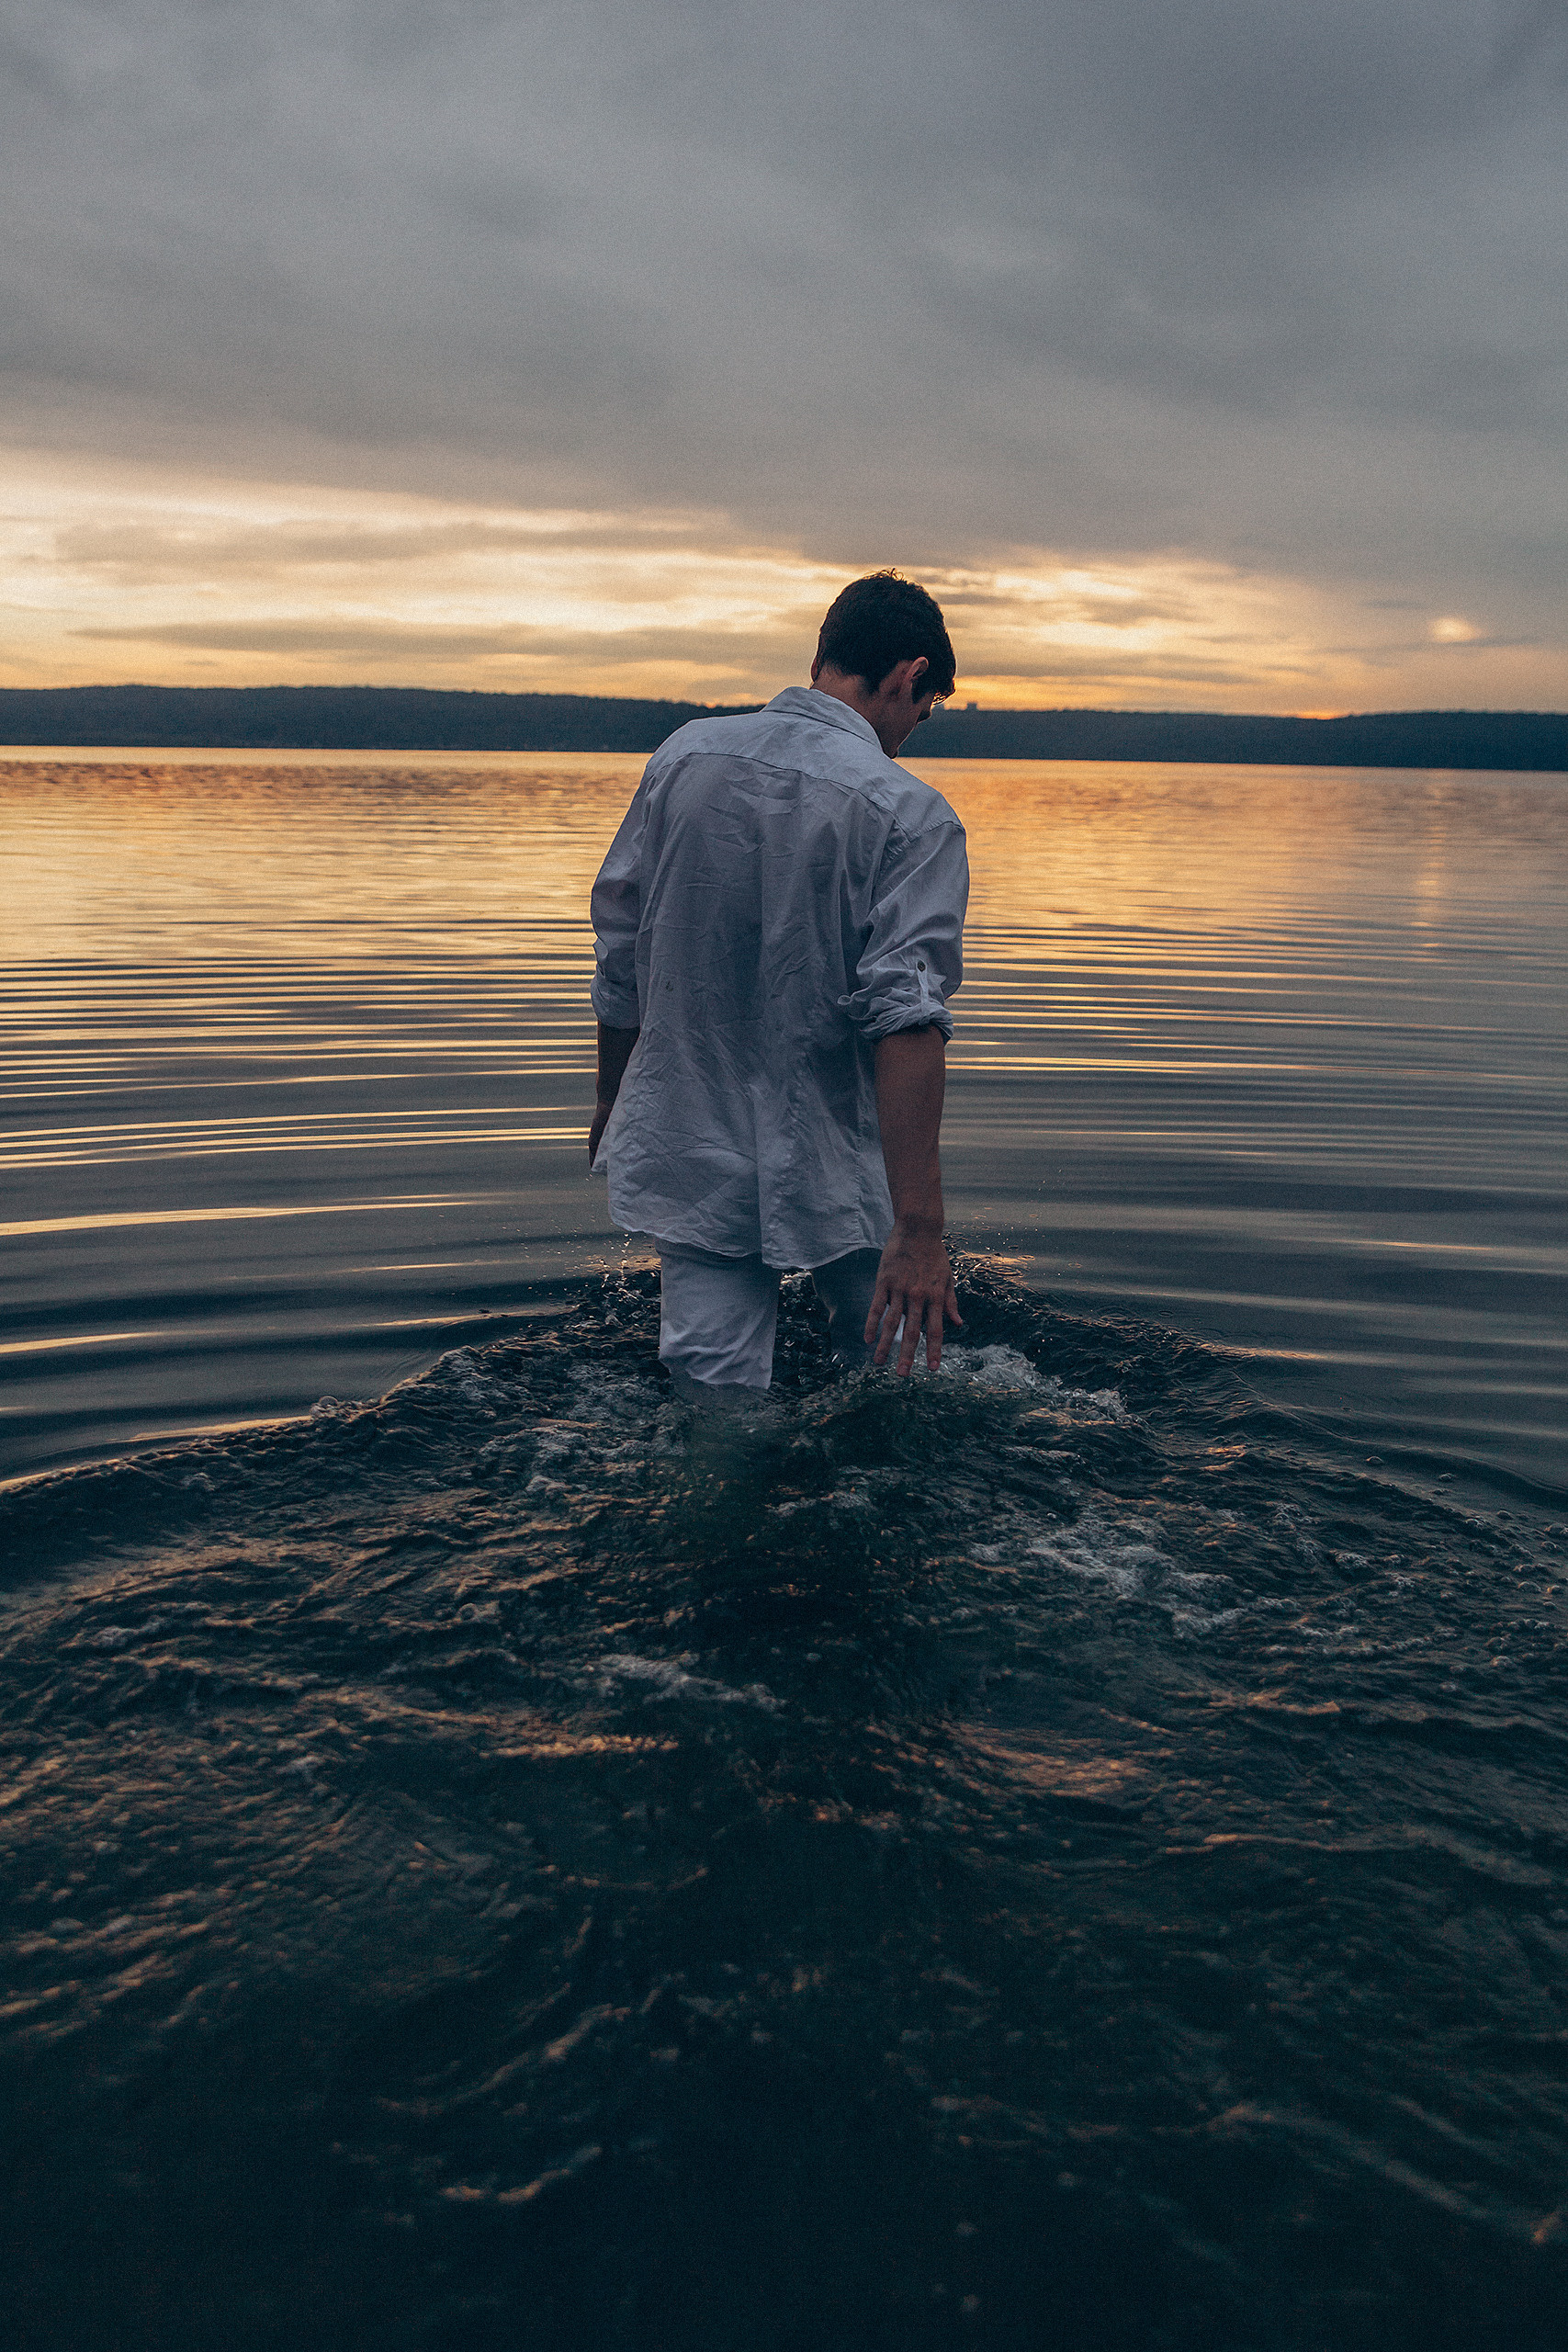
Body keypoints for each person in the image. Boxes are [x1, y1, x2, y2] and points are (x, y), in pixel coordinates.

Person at [587, 570, 968, 1401]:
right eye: (925, 708)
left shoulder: (683, 757)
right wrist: (921, 1226)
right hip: (835, 1149)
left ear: (822, 656)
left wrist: (615, 1095)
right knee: (896, 1362)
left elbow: (620, 945)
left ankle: (713, 1517)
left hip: (692, 1133)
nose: (912, 731)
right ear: (909, 677)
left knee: (712, 1392)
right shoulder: (908, 811)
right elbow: (905, 1020)